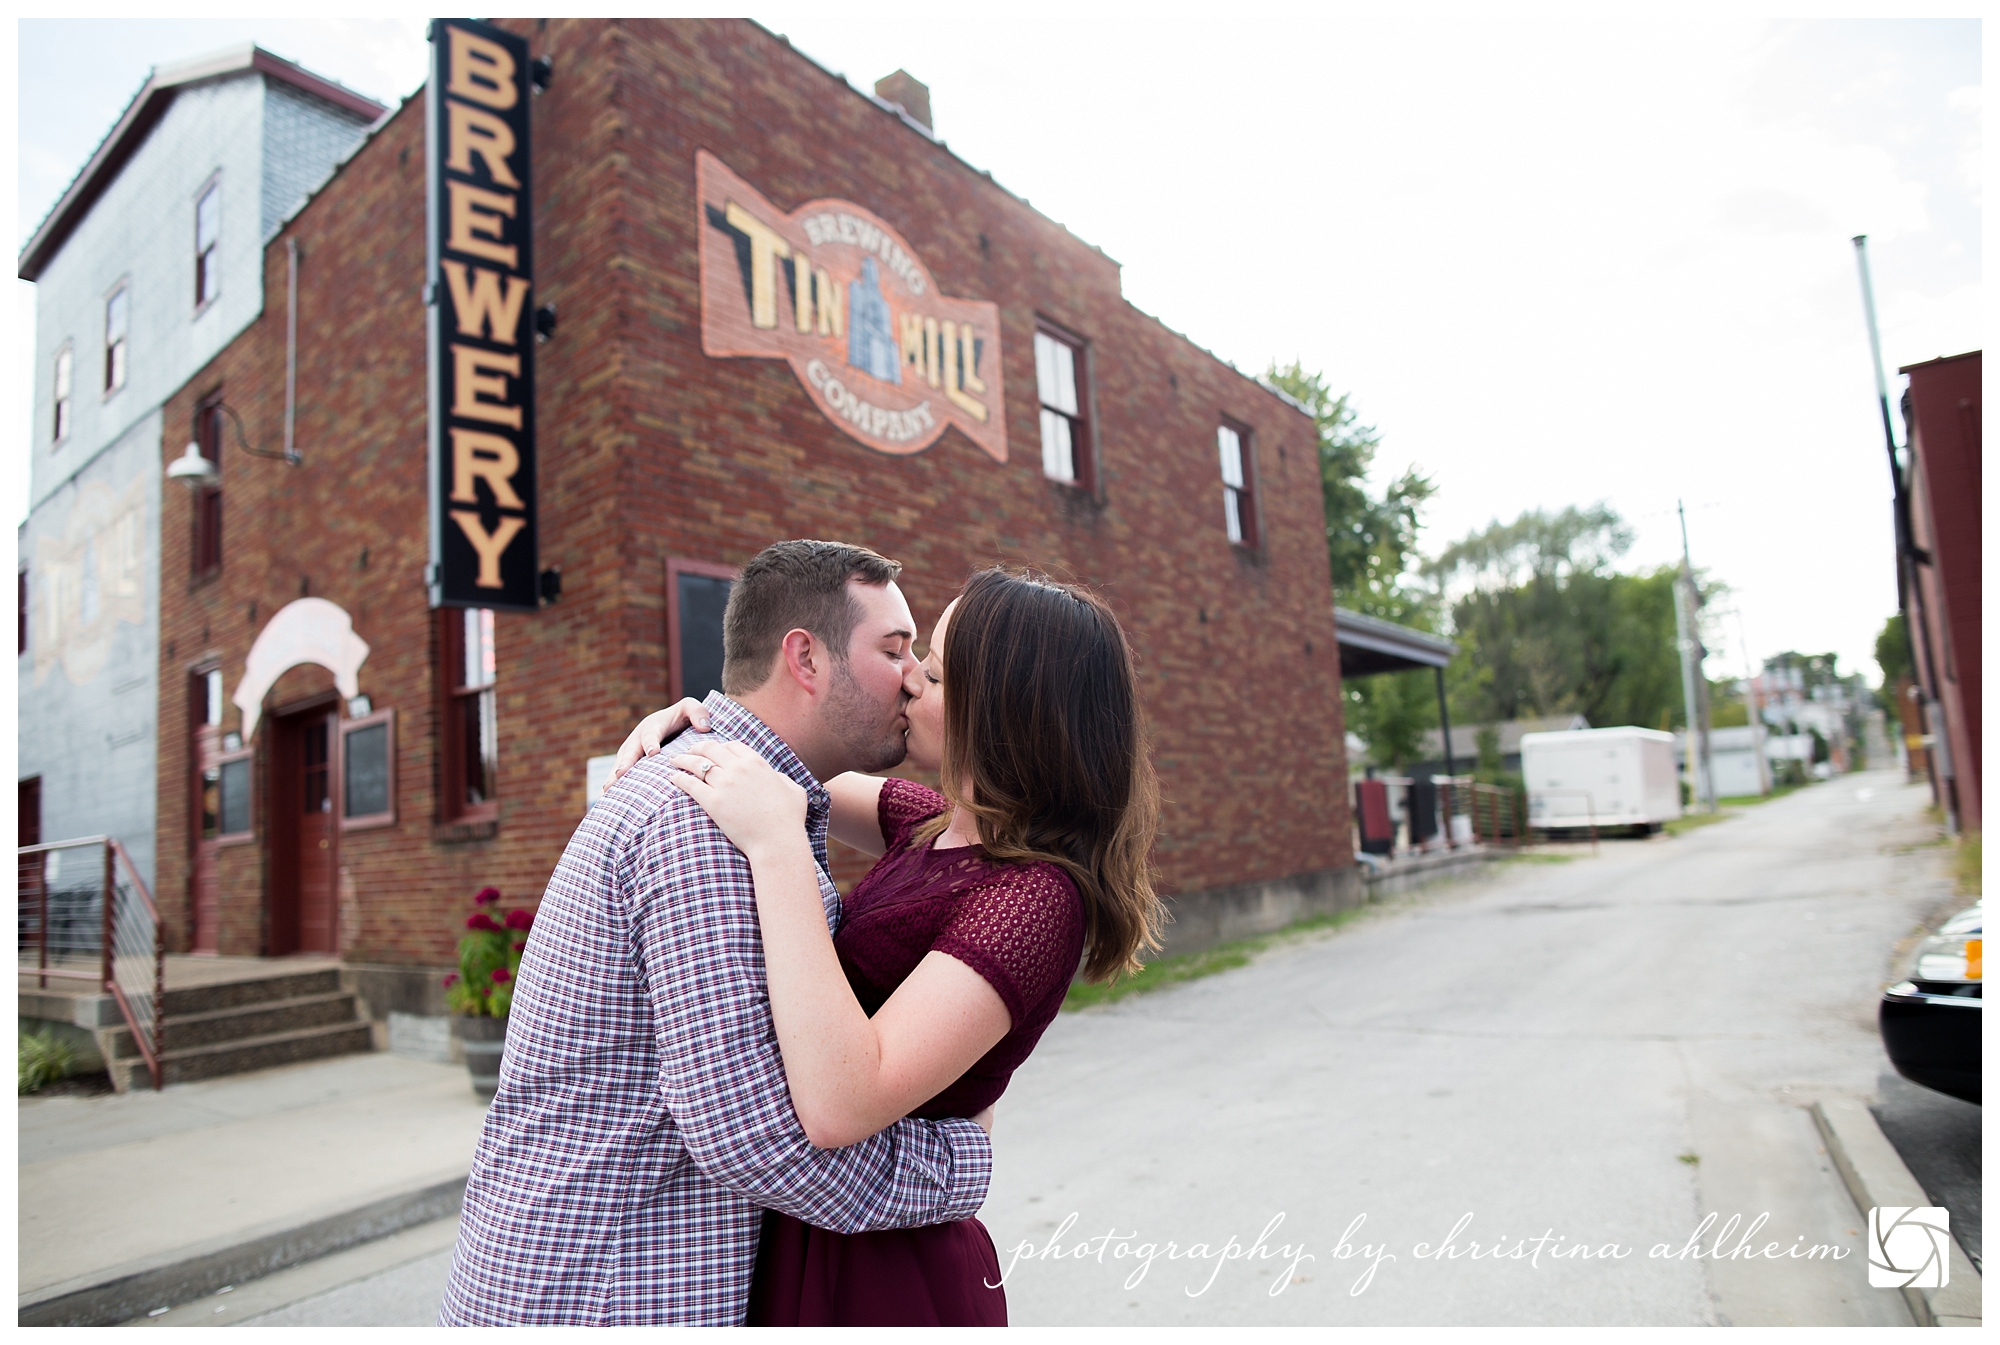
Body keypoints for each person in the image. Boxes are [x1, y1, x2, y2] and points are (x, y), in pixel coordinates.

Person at [439, 540, 997, 1327]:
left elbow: (949, 830)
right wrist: (957, 1163)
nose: (913, 676)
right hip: (599, 1294)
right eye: (894, 649)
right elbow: (757, 1136)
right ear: (805, 657)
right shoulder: (702, 823)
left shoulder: (754, 796)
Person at [612, 565, 1163, 1325]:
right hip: (811, 1225)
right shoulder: (929, 824)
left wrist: (778, 849)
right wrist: (694, 725)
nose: (907, 685)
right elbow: (778, 758)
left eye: (931, 671)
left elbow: (844, 1103)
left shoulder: (1034, 900)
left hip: (884, 1269)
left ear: (998, 710)